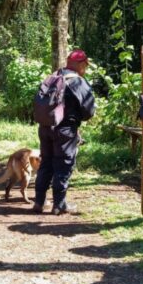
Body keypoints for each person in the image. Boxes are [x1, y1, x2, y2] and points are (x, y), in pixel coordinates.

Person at [33, 49, 96, 215]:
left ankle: (39, 202)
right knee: (63, 164)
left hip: (45, 127)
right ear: (81, 64)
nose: (86, 69)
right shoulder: (77, 81)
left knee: (46, 163)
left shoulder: (53, 76)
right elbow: (89, 110)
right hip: (65, 130)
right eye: (85, 66)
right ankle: (59, 205)